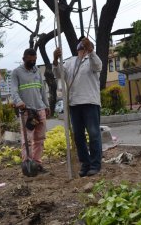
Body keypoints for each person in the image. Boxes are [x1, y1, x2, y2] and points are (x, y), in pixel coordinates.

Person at [53, 36, 103, 177]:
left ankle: (95, 164)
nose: (82, 50)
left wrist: (91, 50)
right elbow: (58, 74)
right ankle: (85, 164)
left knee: (93, 134)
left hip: (90, 102)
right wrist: (55, 61)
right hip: (74, 103)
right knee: (78, 136)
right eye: (80, 47)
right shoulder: (70, 62)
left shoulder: (92, 60)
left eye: (84, 47)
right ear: (77, 49)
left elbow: (98, 66)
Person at [11, 48, 50, 174]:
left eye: (34, 60)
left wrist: (47, 105)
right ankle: (28, 164)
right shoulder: (16, 73)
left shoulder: (37, 72)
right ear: (24, 59)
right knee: (26, 140)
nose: (32, 62)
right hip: (26, 111)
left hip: (39, 110)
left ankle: (37, 164)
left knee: (39, 138)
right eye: (30, 60)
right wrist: (19, 102)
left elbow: (42, 90)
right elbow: (14, 90)